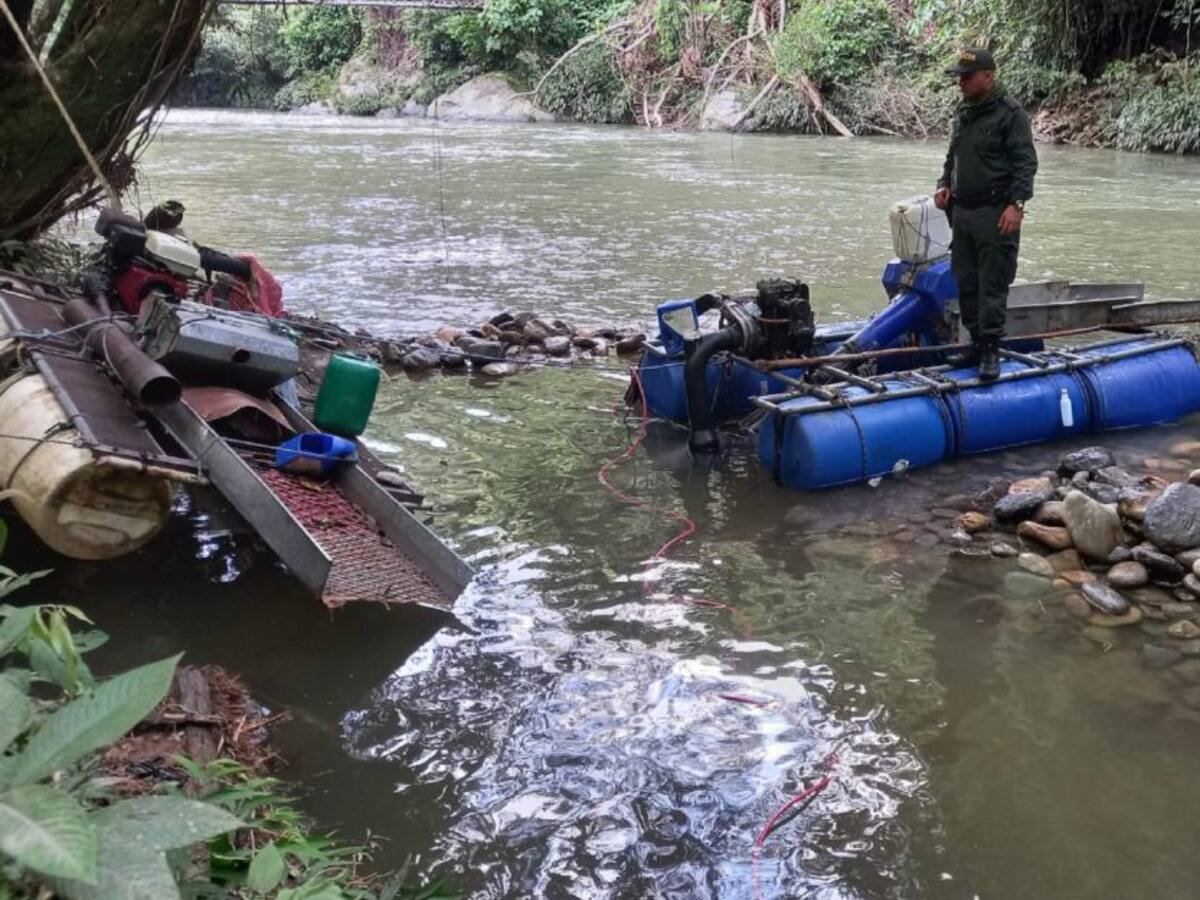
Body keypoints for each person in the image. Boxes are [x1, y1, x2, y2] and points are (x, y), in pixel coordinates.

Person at [934, 47, 1038, 381]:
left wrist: (1016, 205)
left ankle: (991, 350)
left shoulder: (1010, 114)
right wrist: (943, 183)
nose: (960, 83)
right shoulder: (965, 113)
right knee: (965, 279)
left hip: (996, 213)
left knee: (992, 283)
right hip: (962, 211)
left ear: (988, 77)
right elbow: (953, 155)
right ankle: (975, 343)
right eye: (959, 77)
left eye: (966, 77)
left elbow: (1025, 163)